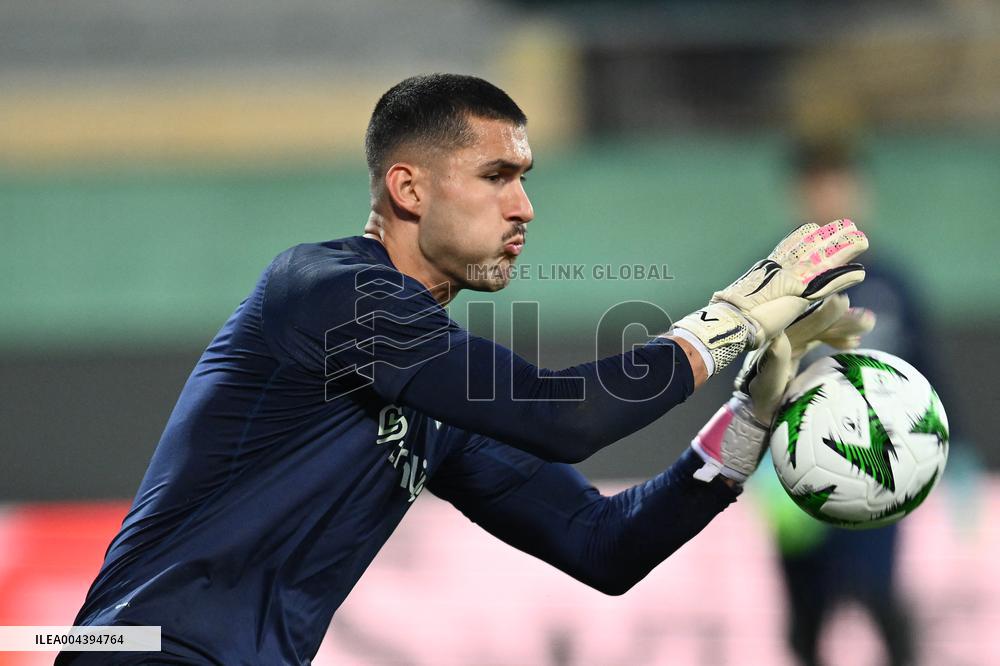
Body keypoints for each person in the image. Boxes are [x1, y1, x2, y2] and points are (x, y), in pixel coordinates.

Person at [58, 74, 868, 665]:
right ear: (408, 188)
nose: (524, 208)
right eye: (496, 176)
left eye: (524, 179)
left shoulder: (435, 391)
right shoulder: (325, 291)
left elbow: (603, 545)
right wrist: (728, 319)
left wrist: (753, 415)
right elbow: (563, 416)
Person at [756, 137, 922, 666]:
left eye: (839, 182)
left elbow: (927, 371)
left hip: (880, 472)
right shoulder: (768, 286)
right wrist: (756, 461)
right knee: (808, 616)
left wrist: (952, 445)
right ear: (798, 195)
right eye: (816, 184)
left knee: (877, 595)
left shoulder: (892, 284)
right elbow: (742, 377)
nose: (829, 196)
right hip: (801, 471)